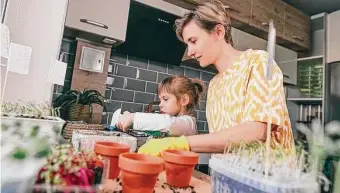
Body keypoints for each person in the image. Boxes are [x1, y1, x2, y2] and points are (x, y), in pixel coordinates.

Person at [138, 0, 294, 156]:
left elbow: (256, 132)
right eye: (187, 44)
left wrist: (181, 143)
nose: (190, 51)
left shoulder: (258, 62)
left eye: (193, 41)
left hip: (270, 178)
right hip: (231, 177)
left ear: (218, 32)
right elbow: (224, 145)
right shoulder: (214, 85)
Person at [116, 75, 206, 136]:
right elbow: (155, 125)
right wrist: (129, 119)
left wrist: (133, 117)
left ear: (184, 100)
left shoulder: (188, 124)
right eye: (160, 100)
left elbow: (167, 123)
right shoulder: (176, 120)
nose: (160, 105)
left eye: (165, 99)